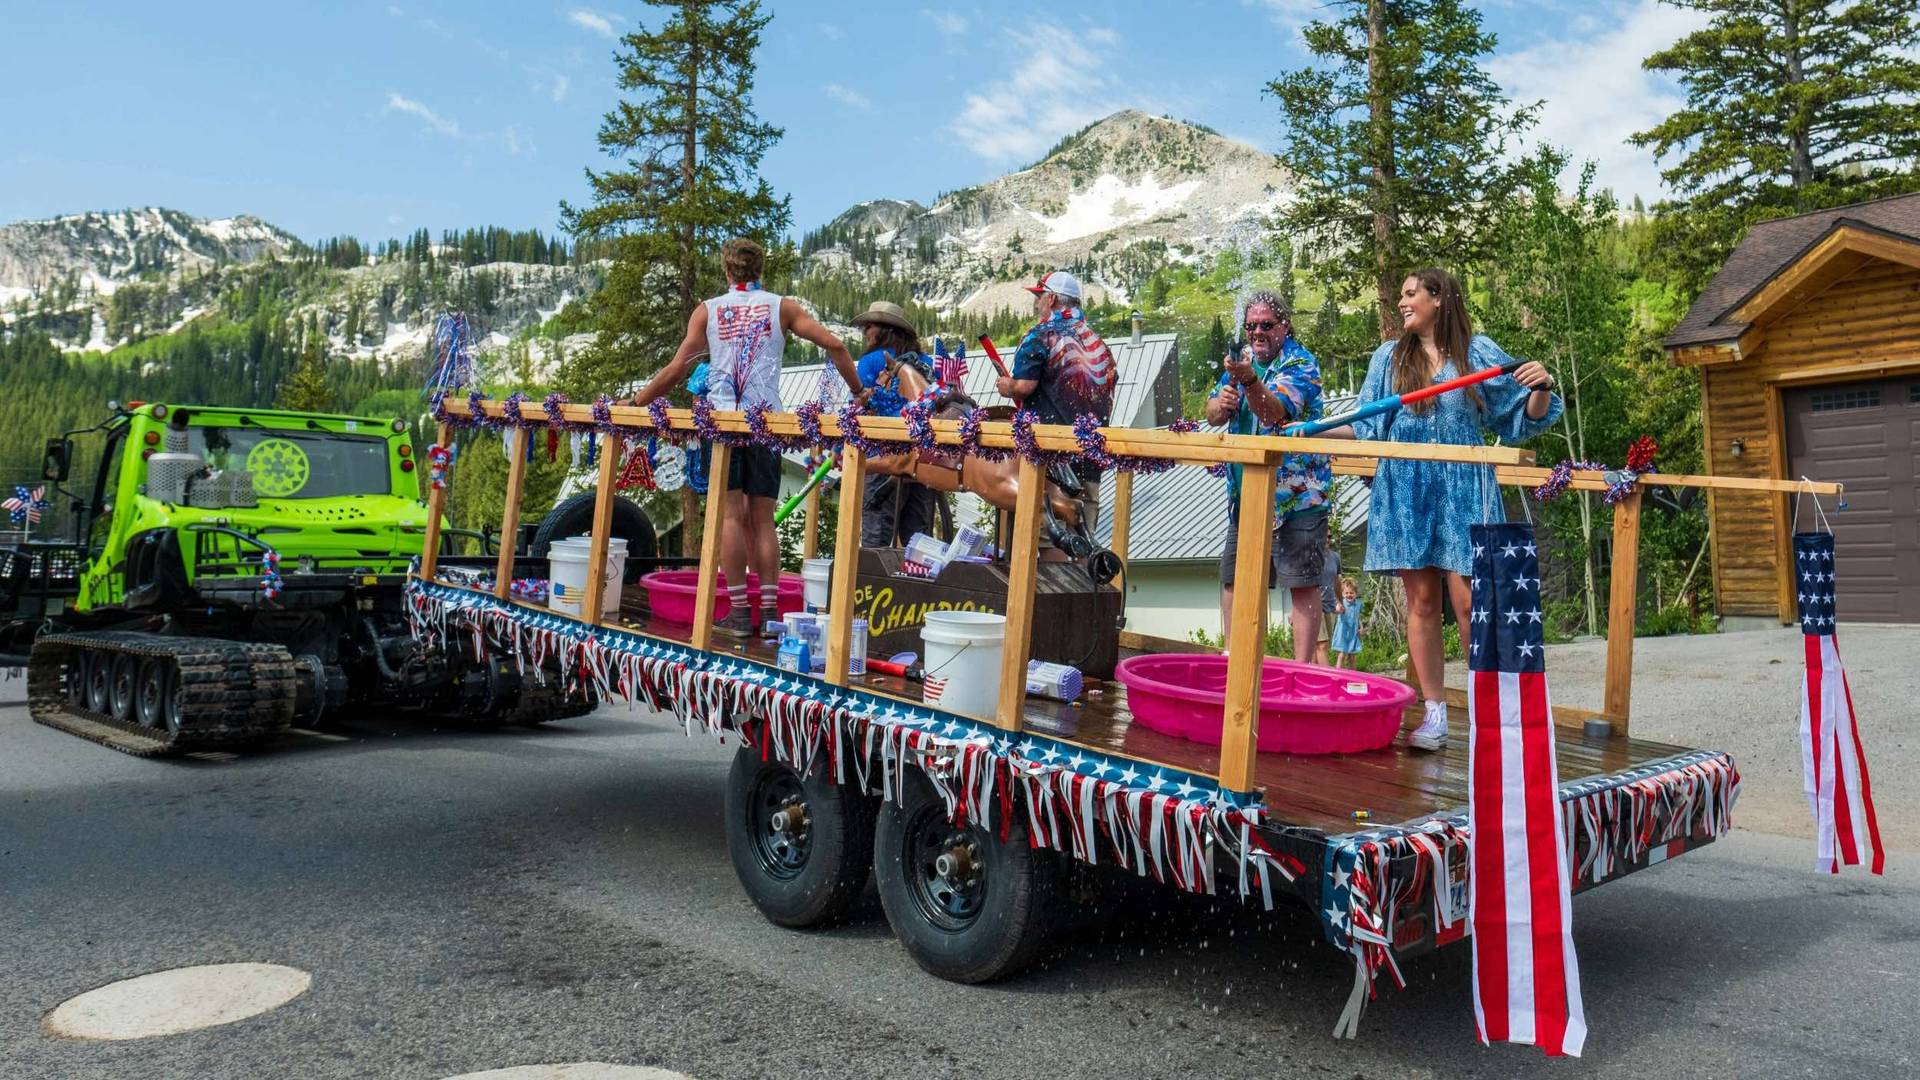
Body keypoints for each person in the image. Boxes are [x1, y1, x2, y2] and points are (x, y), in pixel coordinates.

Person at [1315, 268, 1560, 749]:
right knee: (1422, 603)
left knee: (1471, 602)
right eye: (1402, 295)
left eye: (1412, 295)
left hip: (1463, 486)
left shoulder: (1478, 352)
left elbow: (1520, 419)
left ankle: (1486, 711)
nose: (1403, 302)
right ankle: (1435, 713)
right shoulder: (1389, 357)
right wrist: (1311, 429)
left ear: (1439, 299)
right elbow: (1366, 427)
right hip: (1406, 490)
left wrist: (1541, 386)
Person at [631, 237, 863, 638]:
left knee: (730, 518)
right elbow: (836, 344)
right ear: (761, 270)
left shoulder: (709, 311)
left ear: (726, 270)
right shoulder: (782, 307)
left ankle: (739, 612)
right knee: (763, 520)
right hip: (766, 422)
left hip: (722, 423)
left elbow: (677, 368)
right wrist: (858, 391)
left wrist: (638, 401)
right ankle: (770, 612)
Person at [1203, 290, 1329, 659]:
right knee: (1234, 579)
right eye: (1251, 325)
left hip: (1297, 497)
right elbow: (1211, 413)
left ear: (1285, 326)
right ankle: (1234, 658)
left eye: (1266, 325)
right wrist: (1220, 404)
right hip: (1246, 494)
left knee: (1301, 584)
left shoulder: (1301, 363)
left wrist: (1248, 383)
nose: (1257, 332)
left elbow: (1275, 413)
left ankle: (1301, 670)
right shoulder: (1242, 361)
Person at [996, 270, 1116, 561]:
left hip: (1052, 463)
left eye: (1039, 298)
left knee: (1051, 542)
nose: (1037, 305)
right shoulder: (1100, 344)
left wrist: (1006, 386)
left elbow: (1024, 387)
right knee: (1084, 539)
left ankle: (1048, 606)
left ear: (1051, 299)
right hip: (1091, 461)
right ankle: (1084, 601)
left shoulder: (1041, 335)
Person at [850, 301, 938, 547]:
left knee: (876, 533)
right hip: (922, 459)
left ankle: (873, 585)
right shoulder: (926, 361)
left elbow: (858, 406)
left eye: (869, 326)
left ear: (885, 330)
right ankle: (918, 584)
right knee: (918, 537)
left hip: (883, 457)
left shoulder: (871, 361)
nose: (865, 332)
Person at [1330, 575, 1363, 668]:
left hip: (1353, 633)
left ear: (1356, 593)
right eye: (1346, 593)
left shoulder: (1358, 604)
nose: (1349, 595)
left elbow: (1357, 616)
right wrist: (1338, 607)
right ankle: (1338, 673)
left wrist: (1361, 627)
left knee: (1352, 656)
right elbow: (1336, 610)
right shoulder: (1342, 603)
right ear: (1343, 594)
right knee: (1342, 654)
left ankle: (1353, 675)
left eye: (1351, 593)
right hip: (1343, 632)